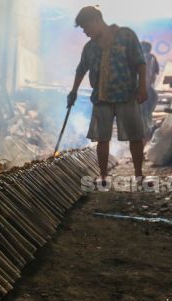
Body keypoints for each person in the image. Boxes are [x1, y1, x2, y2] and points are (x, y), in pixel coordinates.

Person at [67, 6, 148, 184]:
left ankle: (138, 174)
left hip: (126, 94)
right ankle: (103, 175)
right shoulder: (90, 47)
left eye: (85, 27)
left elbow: (140, 63)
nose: (85, 32)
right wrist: (73, 91)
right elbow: (81, 70)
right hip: (101, 97)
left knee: (135, 136)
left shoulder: (126, 35)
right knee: (102, 138)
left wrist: (142, 87)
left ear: (96, 20)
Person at [140, 41, 159, 141]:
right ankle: (146, 139)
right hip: (149, 92)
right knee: (147, 117)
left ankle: (142, 141)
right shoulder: (153, 58)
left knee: (142, 119)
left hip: (141, 92)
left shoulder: (139, 58)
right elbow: (154, 76)